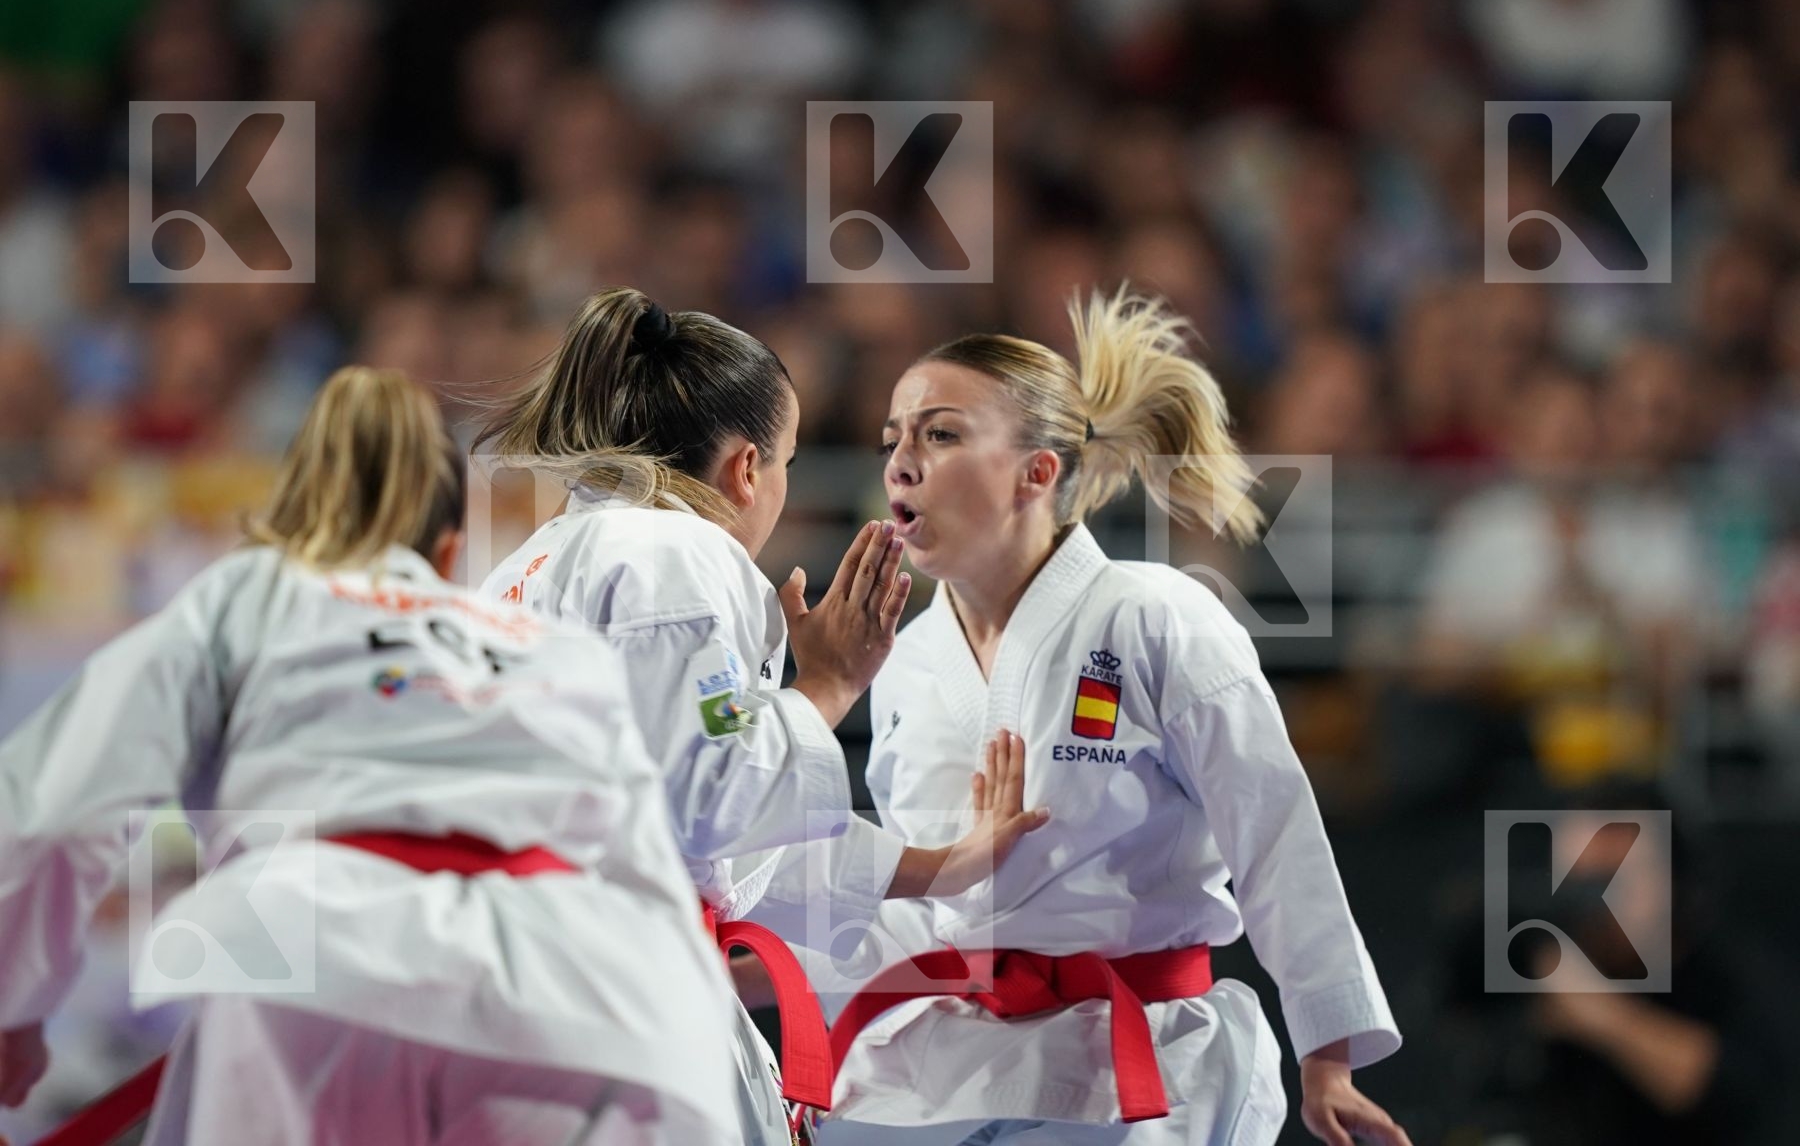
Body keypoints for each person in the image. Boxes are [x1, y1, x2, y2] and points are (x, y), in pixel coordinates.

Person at [0, 367, 741, 1145]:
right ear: (449, 551)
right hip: (588, 996)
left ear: (289, 516)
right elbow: (651, 875)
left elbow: (53, 814)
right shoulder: (554, 649)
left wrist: (15, 1005)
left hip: (318, 960)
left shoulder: (249, 593)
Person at [819, 289, 1410, 1145]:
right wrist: (774, 964)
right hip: (956, 1057)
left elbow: (1275, 835)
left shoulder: (1154, 617)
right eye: (892, 440)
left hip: (1143, 1055)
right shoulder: (905, 660)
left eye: (940, 434)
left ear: (1036, 473)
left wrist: (1329, 1052)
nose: (900, 463)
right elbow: (921, 902)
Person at [474, 288, 1049, 1145]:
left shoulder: (529, 564)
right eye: (786, 462)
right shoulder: (675, 550)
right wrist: (828, 685)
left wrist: (939, 868)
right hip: (613, 1015)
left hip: (544, 991)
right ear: (747, 469)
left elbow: (713, 849)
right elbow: (705, 802)